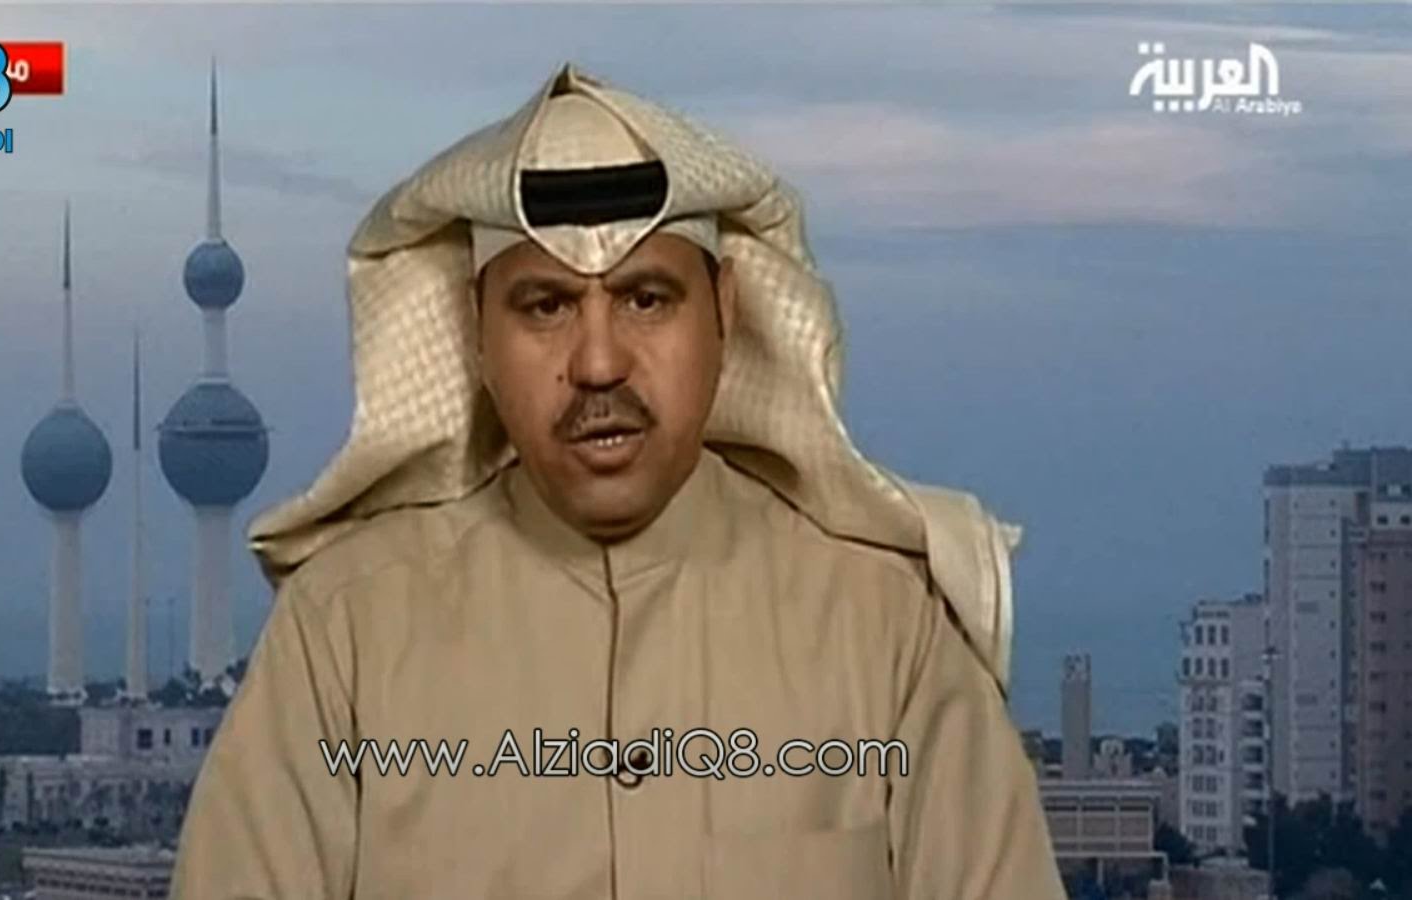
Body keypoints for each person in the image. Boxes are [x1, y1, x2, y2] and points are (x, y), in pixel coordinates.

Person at [170, 61, 1064, 899]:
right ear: (477, 336)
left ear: (725, 314)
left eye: (646, 299)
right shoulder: (344, 634)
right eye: (546, 306)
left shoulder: (886, 628)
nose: (599, 362)